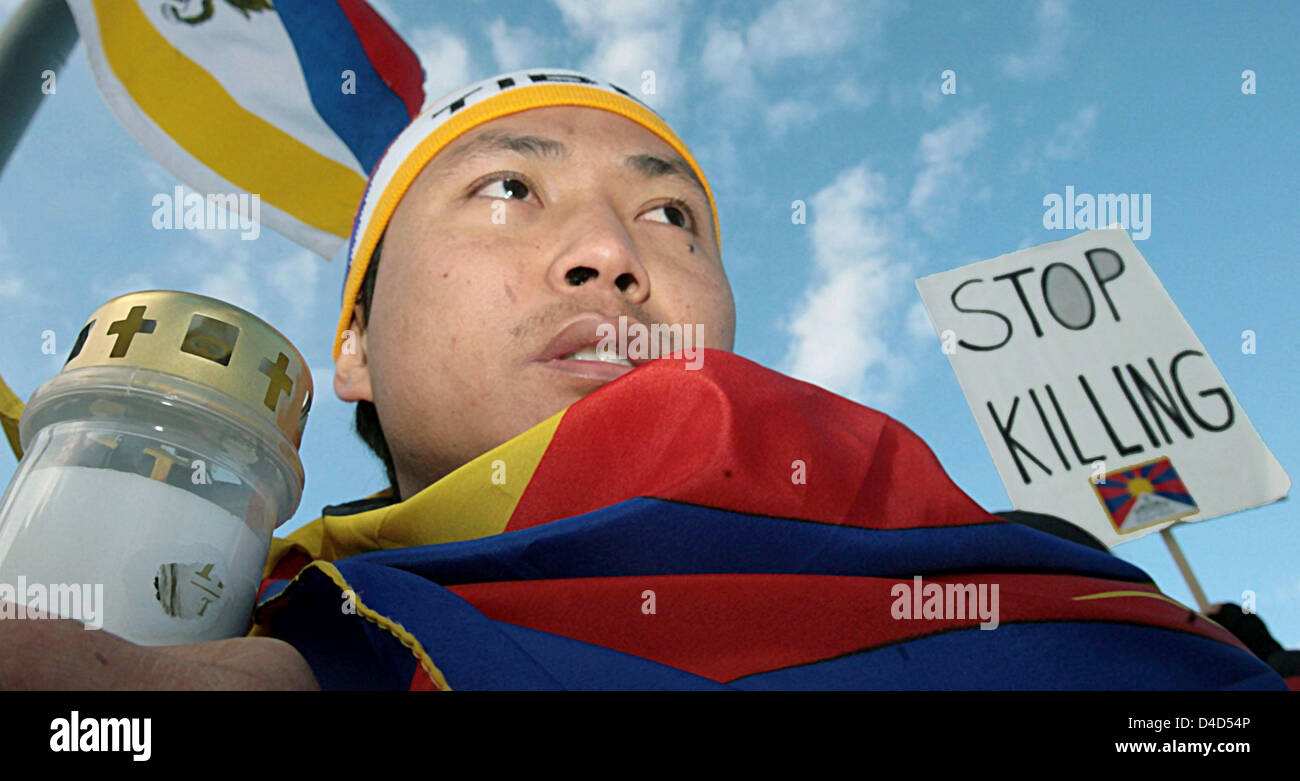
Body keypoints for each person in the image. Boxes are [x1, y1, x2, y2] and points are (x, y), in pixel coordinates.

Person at [0, 69, 1287, 690]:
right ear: (352, 349)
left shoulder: (1046, 586)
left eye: (671, 219)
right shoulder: (203, 621)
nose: (613, 257)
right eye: (508, 188)